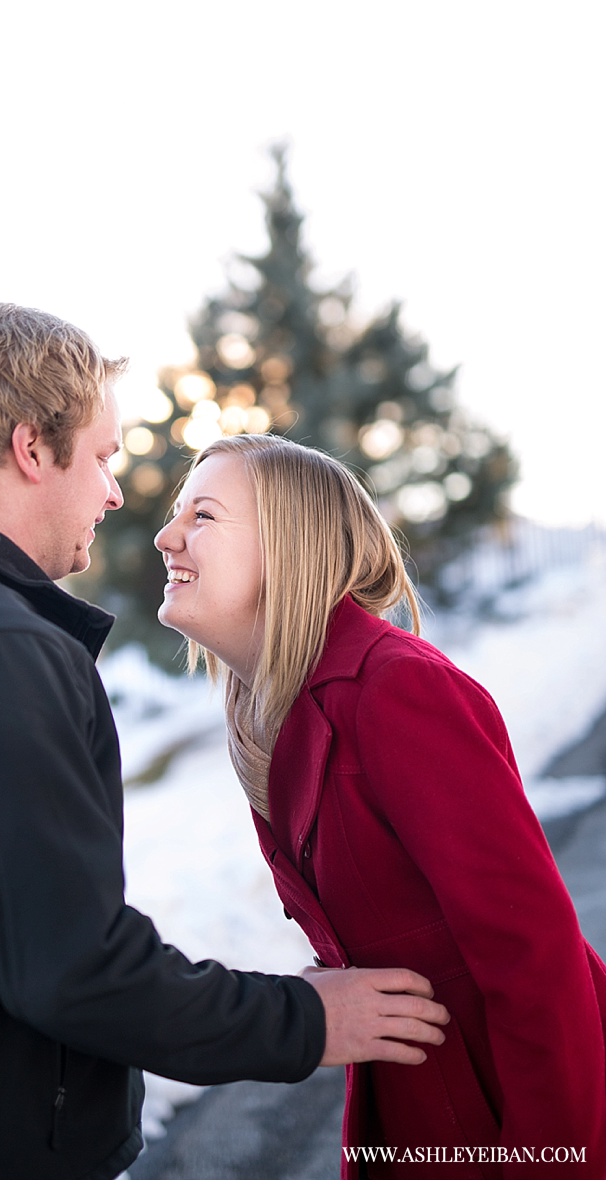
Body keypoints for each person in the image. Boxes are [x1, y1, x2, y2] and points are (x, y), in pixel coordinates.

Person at [0, 304, 450, 1181]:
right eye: (103, 457)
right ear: (31, 449)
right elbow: (73, 967)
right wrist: (307, 1021)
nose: (115, 494)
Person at [154, 432, 606, 1181]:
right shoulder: (279, 713)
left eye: (202, 515)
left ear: (289, 544)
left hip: (507, 1123)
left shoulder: (396, 691)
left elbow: (538, 957)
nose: (168, 537)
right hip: (408, 1119)